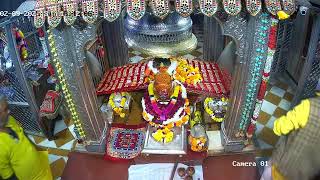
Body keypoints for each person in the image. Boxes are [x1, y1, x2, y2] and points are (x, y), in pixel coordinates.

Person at [260, 85, 320, 180]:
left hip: (283, 167)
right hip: (307, 174)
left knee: (266, 174)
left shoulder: (309, 106)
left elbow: (280, 128)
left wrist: (278, 124)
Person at [0, 95, 52, 180]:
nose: (9, 111)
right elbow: (9, 177)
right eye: (5, 110)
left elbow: (23, 135)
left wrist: (36, 147)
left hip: (41, 169)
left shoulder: (10, 120)